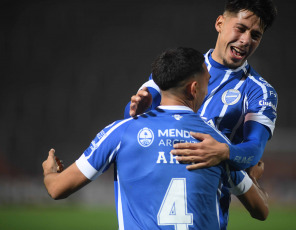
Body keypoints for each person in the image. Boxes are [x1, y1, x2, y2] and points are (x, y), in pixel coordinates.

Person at [42, 47, 268, 229]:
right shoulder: (215, 144)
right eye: (207, 83)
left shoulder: (120, 133)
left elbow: (56, 189)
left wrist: (50, 171)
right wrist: (253, 179)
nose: (207, 91)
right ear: (193, 89)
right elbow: (261, 211)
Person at [125, 0, 277, 228]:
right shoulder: (179, 66)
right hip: (153, 206)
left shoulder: (259, 91)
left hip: (205, 214)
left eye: (255, 35)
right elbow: (131, 117)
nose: (246, 40)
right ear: (220, 23)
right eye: (241, 28)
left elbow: (254, 150)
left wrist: (225, 152)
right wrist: (136, 111)